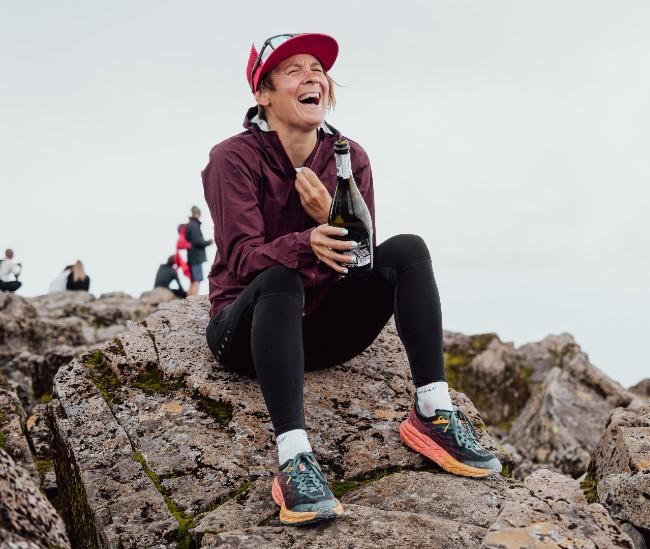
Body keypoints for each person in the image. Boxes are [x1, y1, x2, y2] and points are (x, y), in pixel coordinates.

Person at [203, 33, 500, 526]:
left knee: (407, 248)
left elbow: (362, 263)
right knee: (280, 276)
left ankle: (433, 412)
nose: (312, 76)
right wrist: (306, 242)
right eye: (293, 70)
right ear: (263, 94)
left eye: (317, 69)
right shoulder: (232, 158)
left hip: (325, 334)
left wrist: (333, 220)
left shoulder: (348, 156)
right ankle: (295, 458)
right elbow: (240, 258)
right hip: (248, 338)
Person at [185, 206, 214, 296]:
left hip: (191, 255)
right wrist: (207, 242)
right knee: (197, 279)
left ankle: (188, 298)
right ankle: (192, 299)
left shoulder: (190, 224)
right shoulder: (194, 225)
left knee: (194, 279)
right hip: (196, 256)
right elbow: (197, 241)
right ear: (197, 214)